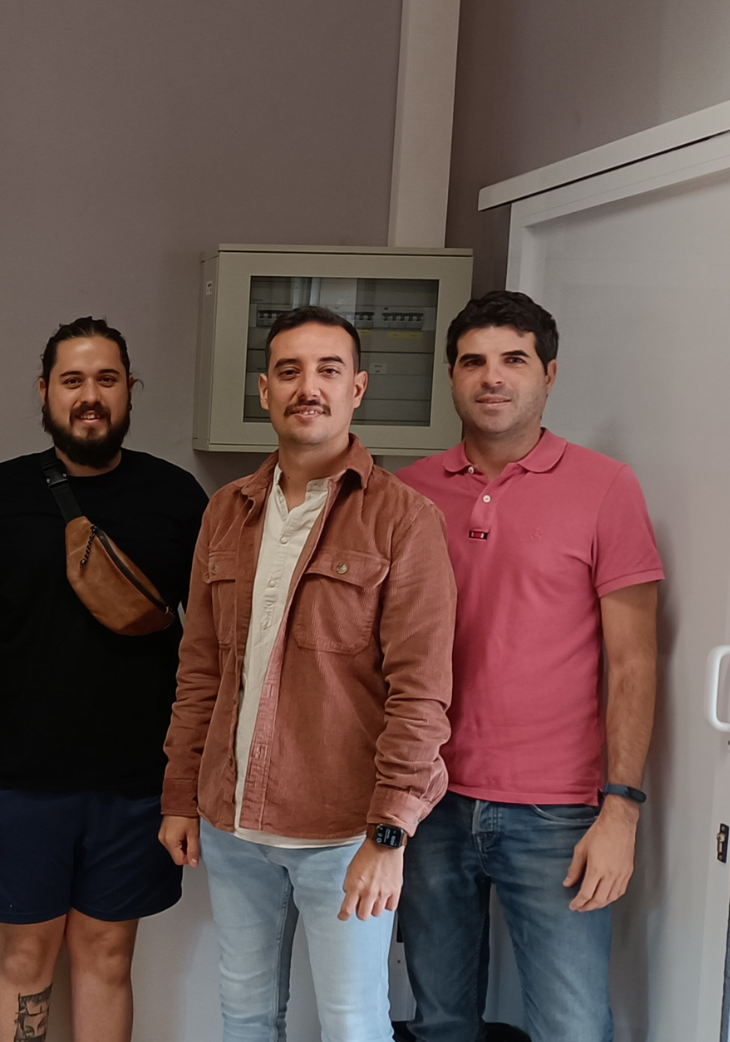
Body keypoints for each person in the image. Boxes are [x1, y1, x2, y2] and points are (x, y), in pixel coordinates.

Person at [159, 305, 456, 1042]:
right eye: (289, 371)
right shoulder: (227, 513)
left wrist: (389, 834)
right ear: (265, 390)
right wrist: (179, 796)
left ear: (357, 389)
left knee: (353, 1022)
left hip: (345, 832)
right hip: (232, 825)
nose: (308, 387)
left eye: (328, 371)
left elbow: (421, 691)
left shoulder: (402, 519)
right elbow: (199, 669)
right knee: (245, 1013)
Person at [397, 292, 660, 1042]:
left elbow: (635, 661)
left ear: (548, 374)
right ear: (452, 376)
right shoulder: (408, 494)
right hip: (429, 804)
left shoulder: (608, 488)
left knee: (573, 1027)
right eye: (473, 361)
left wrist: (623, 808)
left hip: (558, 812)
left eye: (513, 360)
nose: (493, 378)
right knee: (441, 1021)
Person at [0, 317, 206, 1042]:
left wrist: (184, 776)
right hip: (14, 782)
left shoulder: (177, 497)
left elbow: (211, 647)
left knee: (106, 958)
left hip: (134, 784)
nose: (89, 396)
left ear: (129, 390)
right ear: (44, 392)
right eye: (72, 380)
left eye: (106, 379)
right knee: (22, 957)